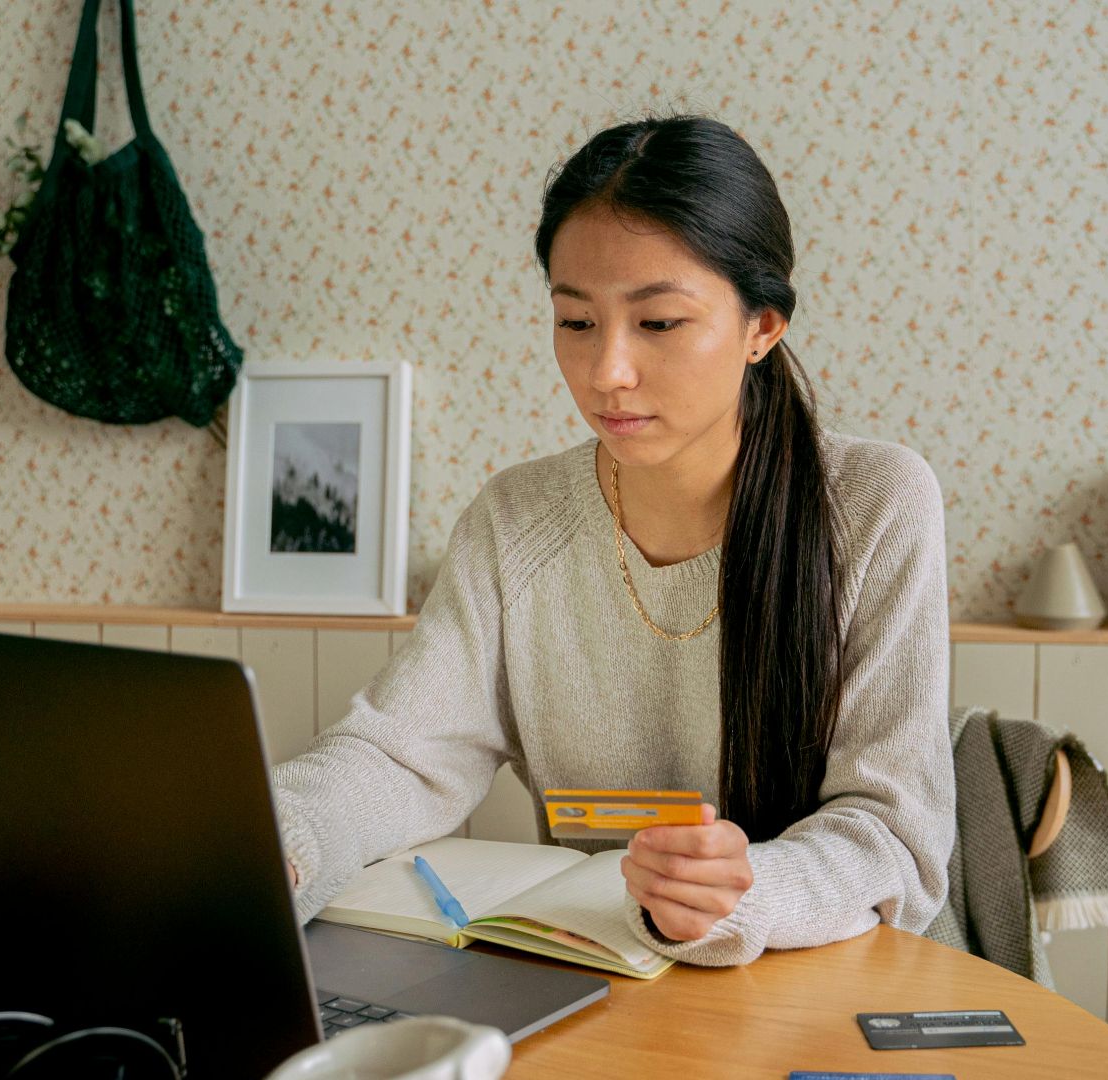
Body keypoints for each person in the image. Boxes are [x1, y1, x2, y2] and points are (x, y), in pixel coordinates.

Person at [273, 113, 953, 967]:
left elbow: (894, 832)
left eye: (659, 323)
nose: (607, 373)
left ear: (763, 327)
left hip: (824, 983)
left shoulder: (875, 504)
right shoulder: (515, 519)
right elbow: (403, 758)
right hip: (604, 985)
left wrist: (746, 893)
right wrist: (275, 839)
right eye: (577, 322)